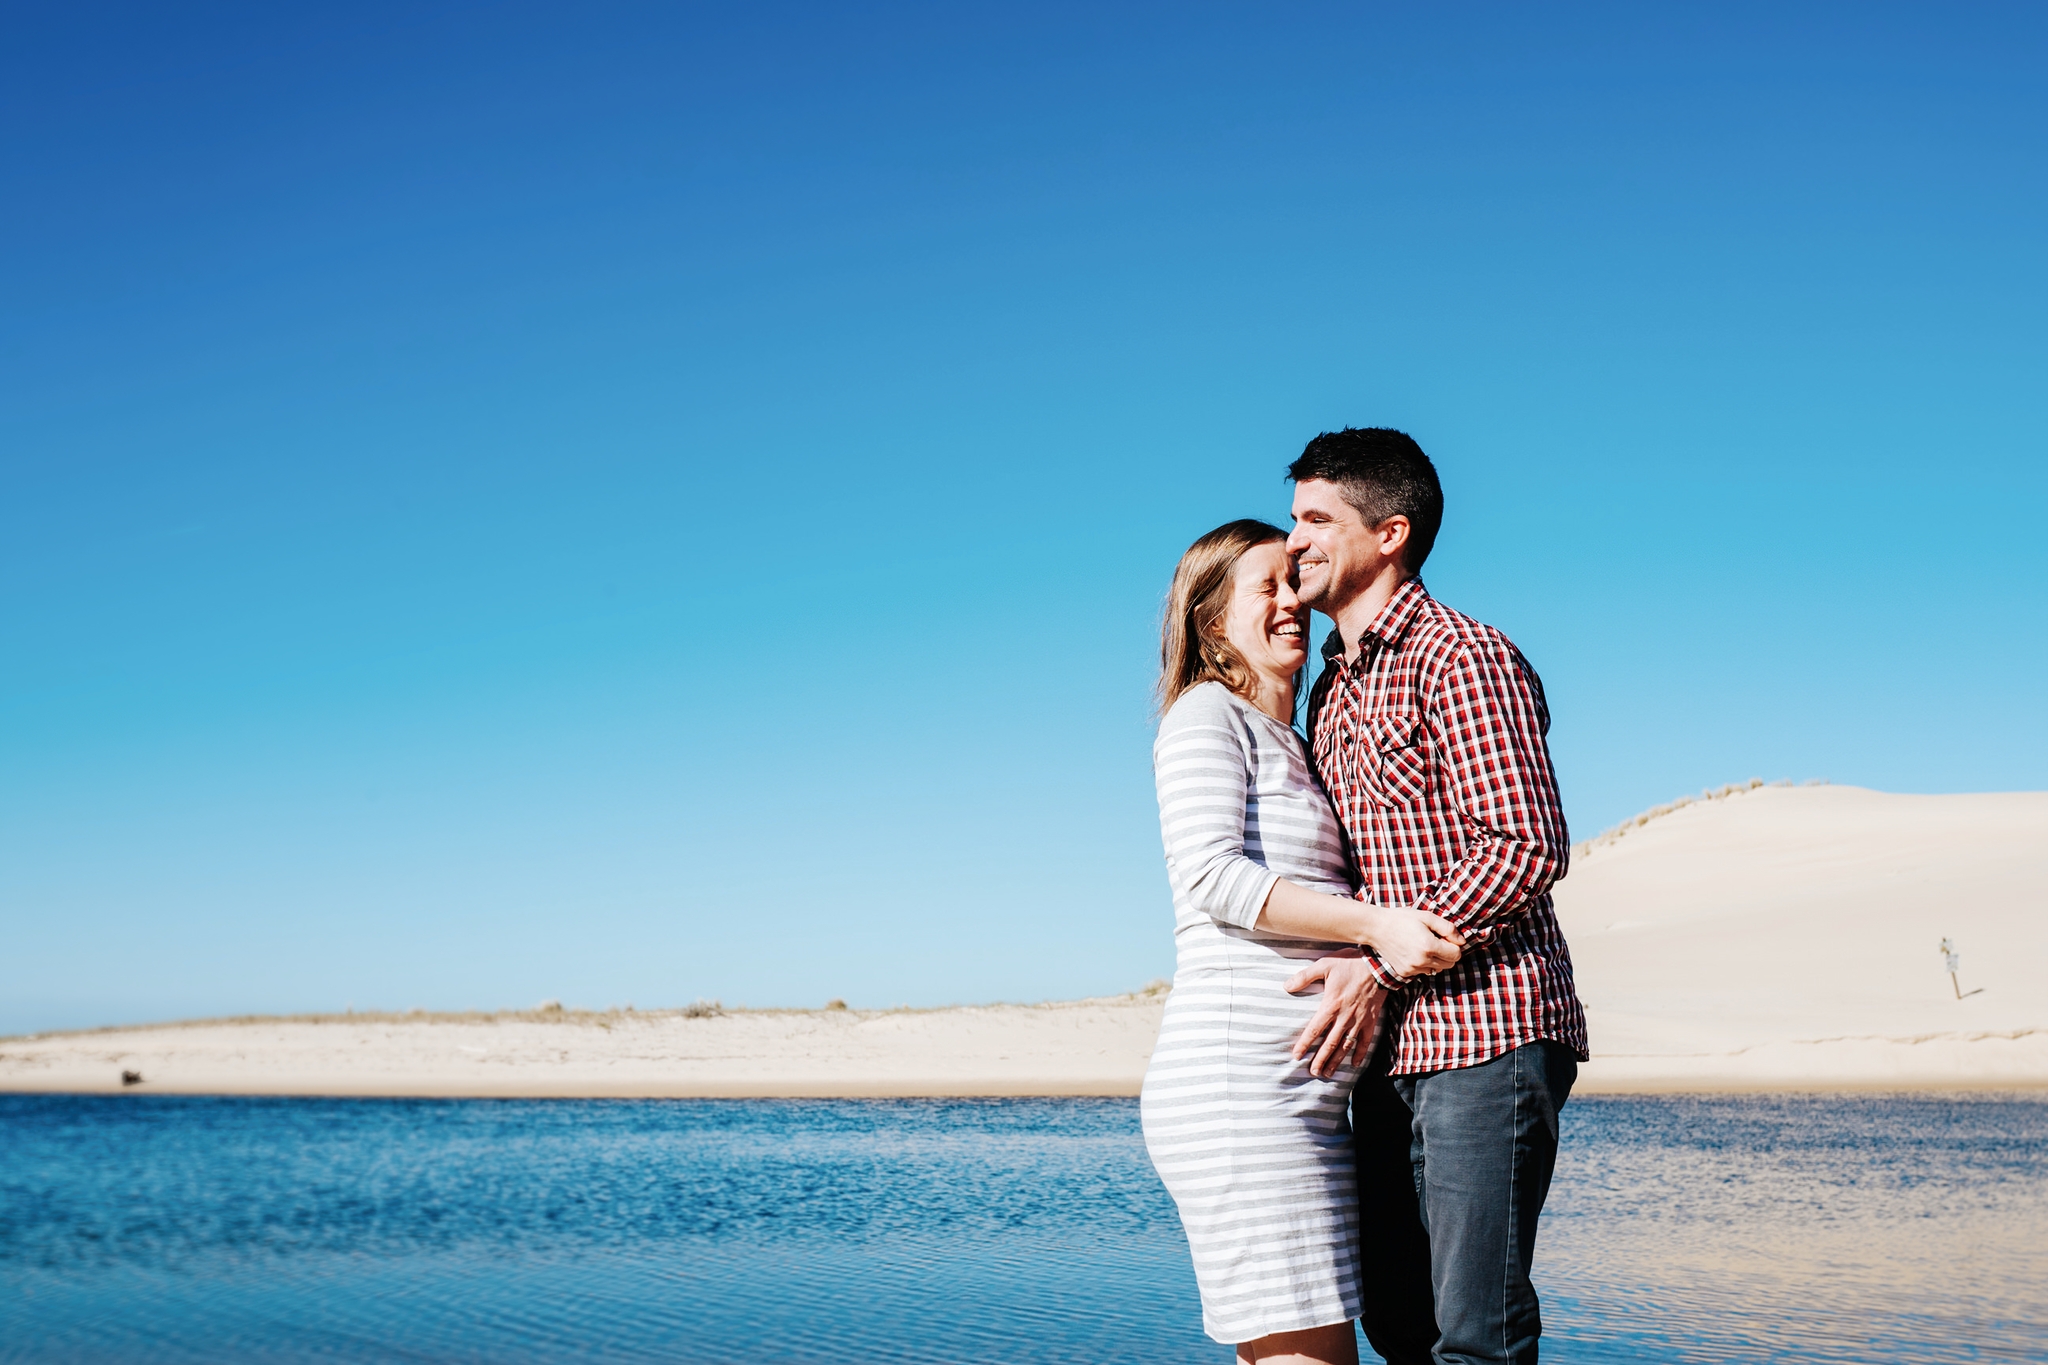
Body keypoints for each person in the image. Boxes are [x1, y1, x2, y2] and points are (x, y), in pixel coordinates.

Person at [1279, 429, 1589, 1365]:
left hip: (1486, 1034)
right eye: (1293, 517)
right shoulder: (1330, 690)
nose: (1293, 539)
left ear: (1391, 533)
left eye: (1315, 518)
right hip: (1384, 1052)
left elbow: (1525, 843)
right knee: (1396, 1322)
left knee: (1476, 1335)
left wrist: (1376, 962)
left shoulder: (1462, 656)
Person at [1141, 519, 1471, 1365]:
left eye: (1296, 580)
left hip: (1305, 1101)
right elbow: (1213, 876)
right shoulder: (1204, 717)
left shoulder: (1295, 734)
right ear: (1213, 623)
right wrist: (1379, 928)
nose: (1295, 602)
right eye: (1268, 588)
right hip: (1241, 1096)